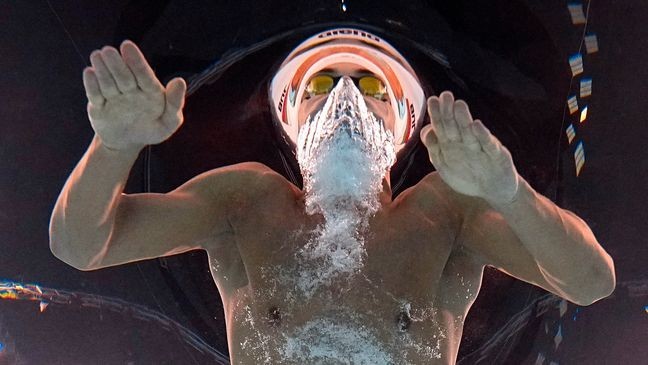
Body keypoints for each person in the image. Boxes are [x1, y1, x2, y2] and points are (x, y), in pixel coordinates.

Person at [49, 27, 616, 364]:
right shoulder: (245, 202)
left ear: (402, 123)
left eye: (370, 85)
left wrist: (508, 191)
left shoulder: (446, 213)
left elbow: (591, 282)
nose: (345, 95)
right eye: (323, 83)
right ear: (292, 117)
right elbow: (81, 246)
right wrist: (114, 146)